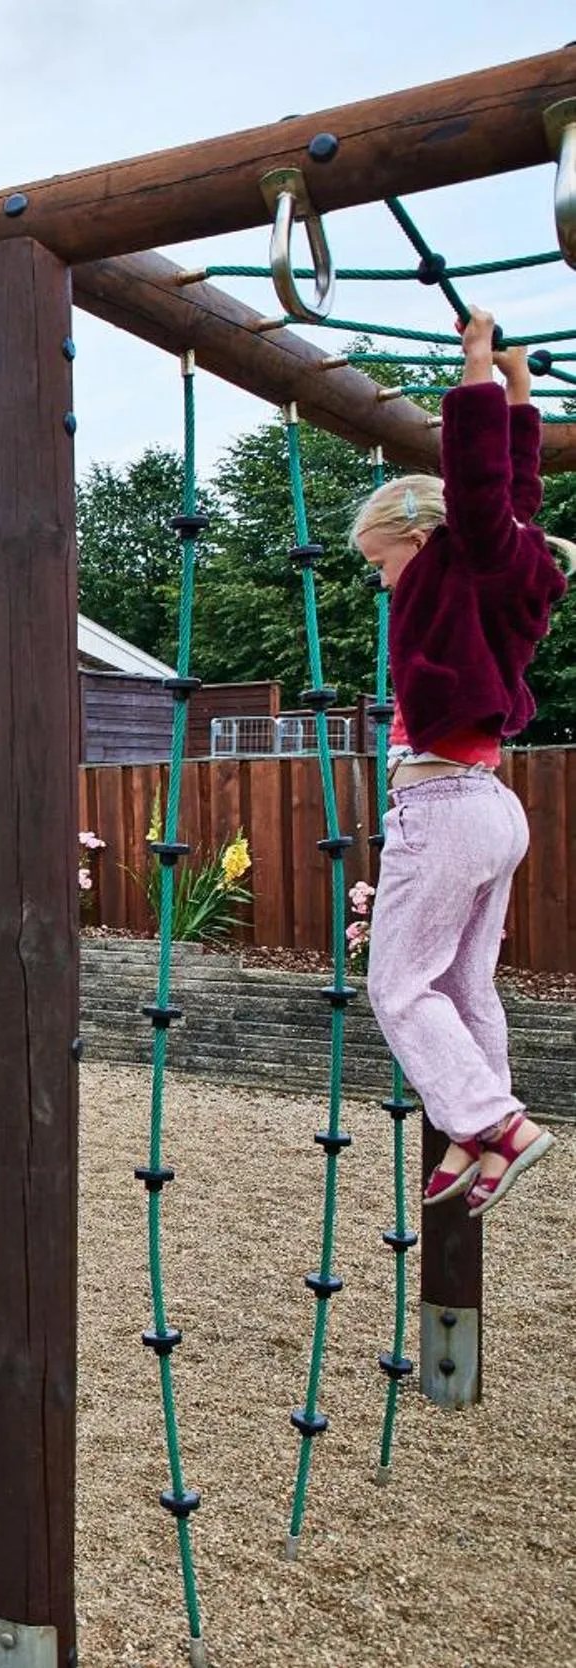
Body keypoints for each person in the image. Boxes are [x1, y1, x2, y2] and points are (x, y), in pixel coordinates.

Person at [356, 308, 569, 1220]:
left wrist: (476, 368)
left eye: (380, 563)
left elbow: (484, 493)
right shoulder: (500, 569)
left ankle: (499, 1122)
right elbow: (518, 498)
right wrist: (522, 397)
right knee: (462, 984)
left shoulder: (458, 558)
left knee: (397, 985)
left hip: (443, 808)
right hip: (488, 808)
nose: (381, 581)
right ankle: (480, 1138)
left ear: (416, 537)